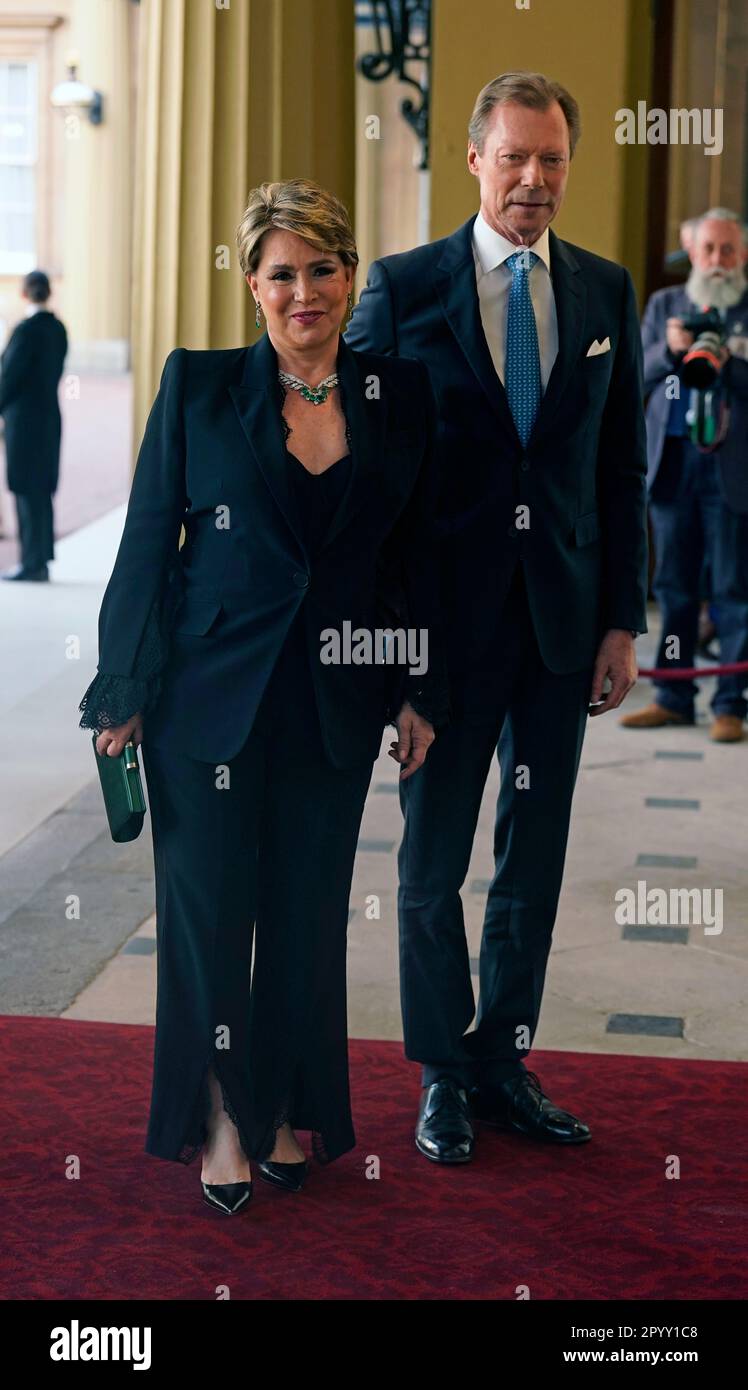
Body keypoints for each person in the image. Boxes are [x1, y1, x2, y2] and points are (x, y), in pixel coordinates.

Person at [78, 178, 447, 1215]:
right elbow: (147, 544)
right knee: (207, 922)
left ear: (350, 277)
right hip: (205, 706)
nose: (303, 291)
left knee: (300, 924)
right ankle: (219, 1121)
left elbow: (409, 561)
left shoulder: (398, 396)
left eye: (323, 269)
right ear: (251, 283)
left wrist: (418, 689)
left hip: (332, 711)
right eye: (281, 272)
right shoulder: (198, 388)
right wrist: (121, 688)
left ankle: (282, 1106)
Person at [346, 71, 649, 1164]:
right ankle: (439, 1073)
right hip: (441, 638)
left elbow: (619, 469)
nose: (533, 179)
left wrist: (623, 616)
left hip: (560, 628)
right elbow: (373, 496)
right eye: (514, 156)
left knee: (534, 854)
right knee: (430, 866)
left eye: (552, 159)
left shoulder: (606, 292)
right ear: (474, 158)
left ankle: (502, 1057)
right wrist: (389, 655)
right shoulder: (401, 287)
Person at [621, 208, 748, 742]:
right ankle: (673, 695)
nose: (717, 260)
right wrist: (670, 349)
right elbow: (636, 372)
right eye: (708, 249)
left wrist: (733, 357)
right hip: (673, 461)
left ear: (742, 258)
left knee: (731, 588)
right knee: (672, 585)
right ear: (691, 253)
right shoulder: (665, 305)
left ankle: (729, 704)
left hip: (731, 466)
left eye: (728, 250)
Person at [0, 270, 67, 582]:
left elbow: (9, 378)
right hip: (49, 416)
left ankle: (31, 562)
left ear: (24, 294)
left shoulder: (25, 331)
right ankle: (41, 558)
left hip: (23, 421)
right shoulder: (58, 329)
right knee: (42, 488)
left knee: (25, 487)